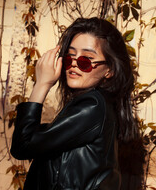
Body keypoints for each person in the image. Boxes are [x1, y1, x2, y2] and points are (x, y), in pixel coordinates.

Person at [10, 17, 140, 190]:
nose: (74, 66)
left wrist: (41, 84)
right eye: (70, 57)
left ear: (110, 70)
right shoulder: (96, 104)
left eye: (85, 61)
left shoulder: (92, 106)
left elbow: (23, 145)